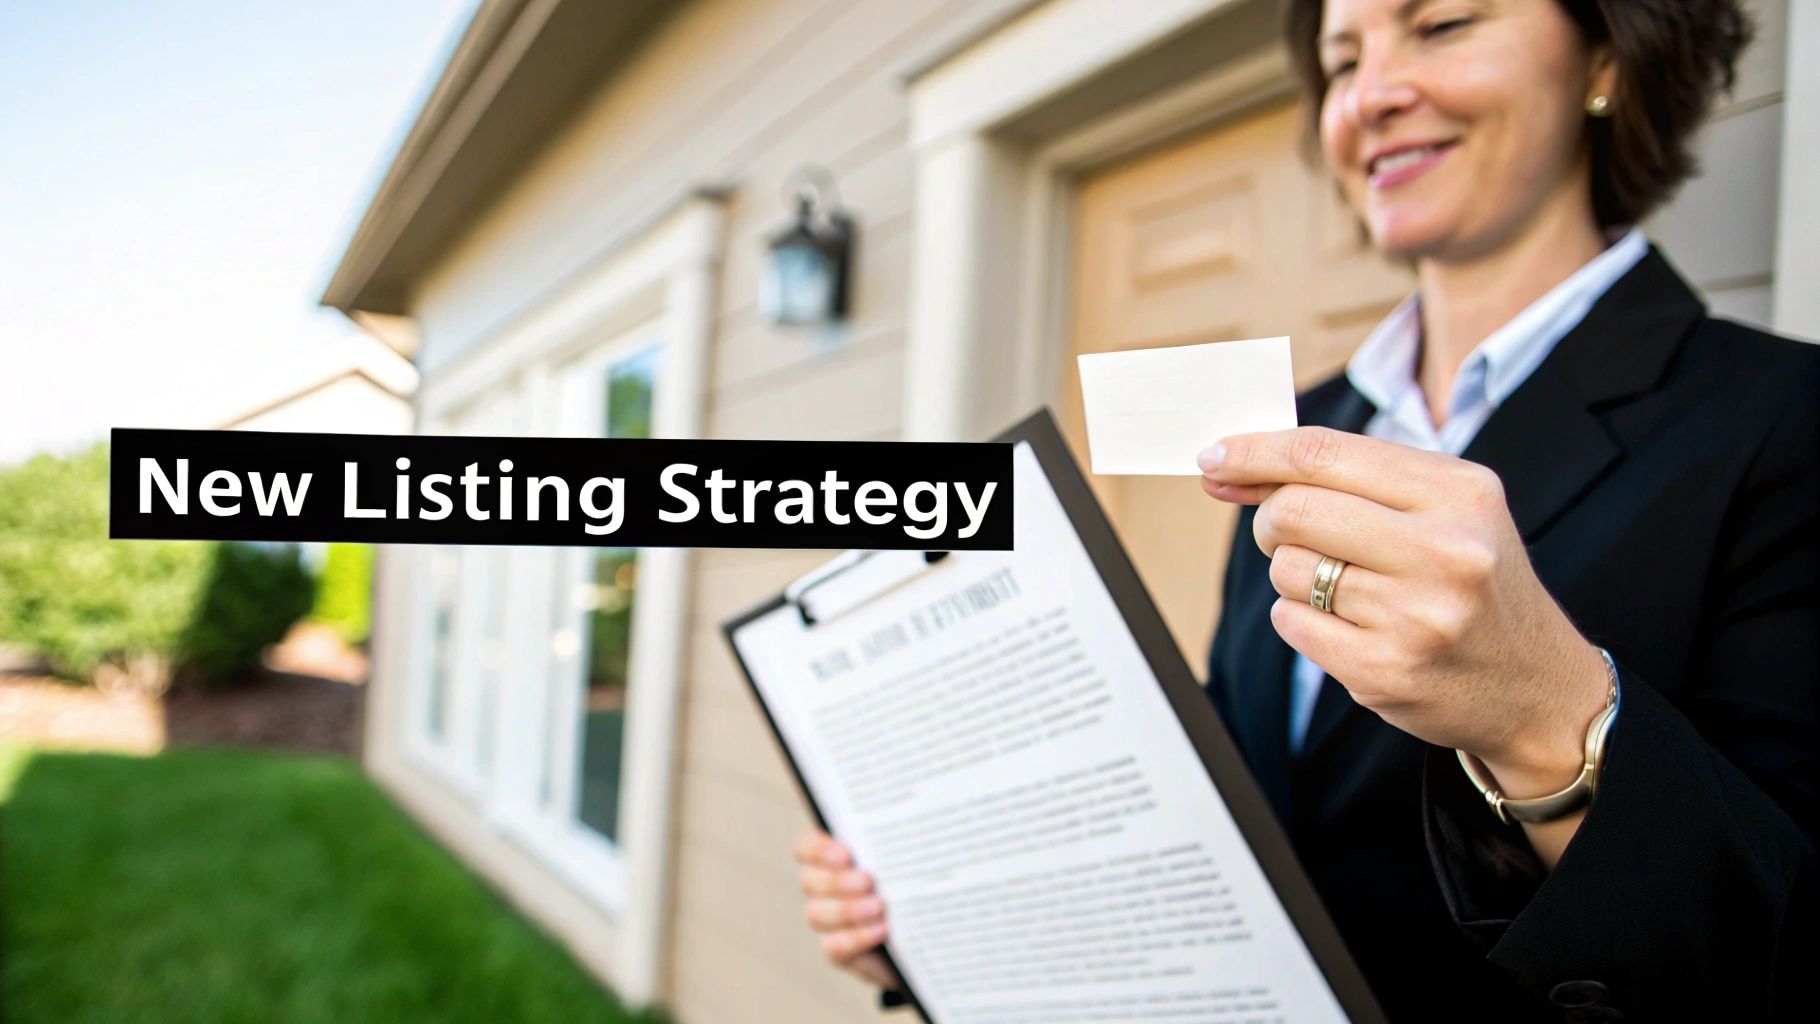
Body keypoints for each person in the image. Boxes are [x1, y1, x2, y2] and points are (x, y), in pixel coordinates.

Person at [794, 0, 1819, 1018]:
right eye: (1339, 60)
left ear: (1605, 53)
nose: (1367, 96)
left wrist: (1545, 712)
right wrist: (954, 919)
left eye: (1441, 25)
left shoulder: (1780, 418)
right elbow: (1235, 812)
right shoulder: (1306, 424)